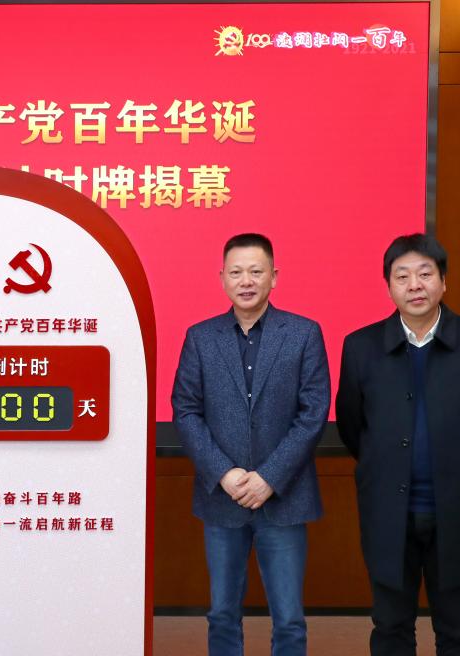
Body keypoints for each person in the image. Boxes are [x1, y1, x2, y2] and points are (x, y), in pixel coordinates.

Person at [336, 234, 460, 656]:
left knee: (459, 629)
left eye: (425, 274)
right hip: (387, 513)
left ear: (443, 282)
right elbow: (353, 426)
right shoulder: (360, 347)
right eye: (402, 276)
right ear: (388, 287)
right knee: (391, 627)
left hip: (457, 511)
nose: (415, 285)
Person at [171, 233, 330, 656]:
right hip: (223, 497)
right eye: (237, 272)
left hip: (285, 497)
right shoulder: (200, 337)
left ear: (273, 277)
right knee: (222, 613)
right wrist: (224, 473)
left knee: (289, 617)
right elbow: (185, 410)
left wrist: (269, 478)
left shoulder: (303, 333)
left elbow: (313, 413)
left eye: (256, 271)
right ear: (222, 278)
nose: (246, 280)